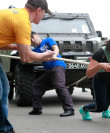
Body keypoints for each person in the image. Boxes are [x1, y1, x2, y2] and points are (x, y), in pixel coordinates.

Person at [0, 0, 54, 132]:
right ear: (38, 10)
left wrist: (16, 46)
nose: (43, 16)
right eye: (44, 13)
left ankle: (4, 128)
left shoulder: (15, 14)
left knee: (4, 89)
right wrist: (45, 55)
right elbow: (26, 57)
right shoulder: (24, 21)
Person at [79, 34, 110, 121]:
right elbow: (88, 74)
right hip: (100, 80)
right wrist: (99, 66)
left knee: (106, 105)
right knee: (101, 107)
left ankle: (105, 111)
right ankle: (84, 109)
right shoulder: (100, 53)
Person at [28, 31, 74, 117]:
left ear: (37, 35)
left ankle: (69, 109)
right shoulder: (35, 51)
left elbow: (55, 47)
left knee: (59, 86)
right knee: (36, 85)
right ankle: (37, 109)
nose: (32, 40)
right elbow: (30, 59)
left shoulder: (47, 40)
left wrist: (55, 55)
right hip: (49, 71)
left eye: (33, 37)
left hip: (58, 66)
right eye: (30, 40)